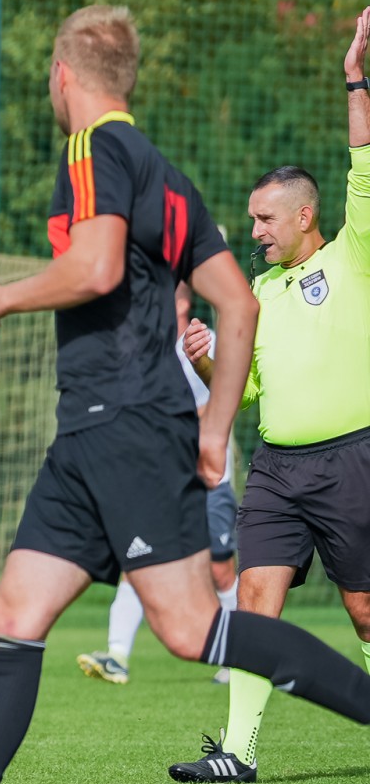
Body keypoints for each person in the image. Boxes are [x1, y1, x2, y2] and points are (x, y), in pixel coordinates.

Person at [0, 5, 370, 784]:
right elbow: (237, 303)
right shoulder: (165, 174)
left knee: (194, 628)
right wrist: (214, 426)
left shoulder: (92, 149)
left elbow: (97, 268)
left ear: (63, 76)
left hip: (124, 422)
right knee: (13, 615)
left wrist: (0, 296)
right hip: (93, 430)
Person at [165, 7, 370, 783]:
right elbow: (245, 390)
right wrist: (211, 358)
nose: (254, 230)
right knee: (255, 598)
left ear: (304, 214)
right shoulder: (255, 293)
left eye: (264, 217)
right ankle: (238, 751)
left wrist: (355, 78)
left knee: (364, 609)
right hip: (279, 469)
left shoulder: (354, 254)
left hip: (352, 462)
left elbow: (364, 166)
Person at [77, 282, 239, 685]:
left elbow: (222, 402)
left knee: (220, 569)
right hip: (158, 479)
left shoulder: (205, 342)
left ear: (182, 301)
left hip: (208, 478)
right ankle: (116, 655)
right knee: (137, 561)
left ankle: (235, 659)